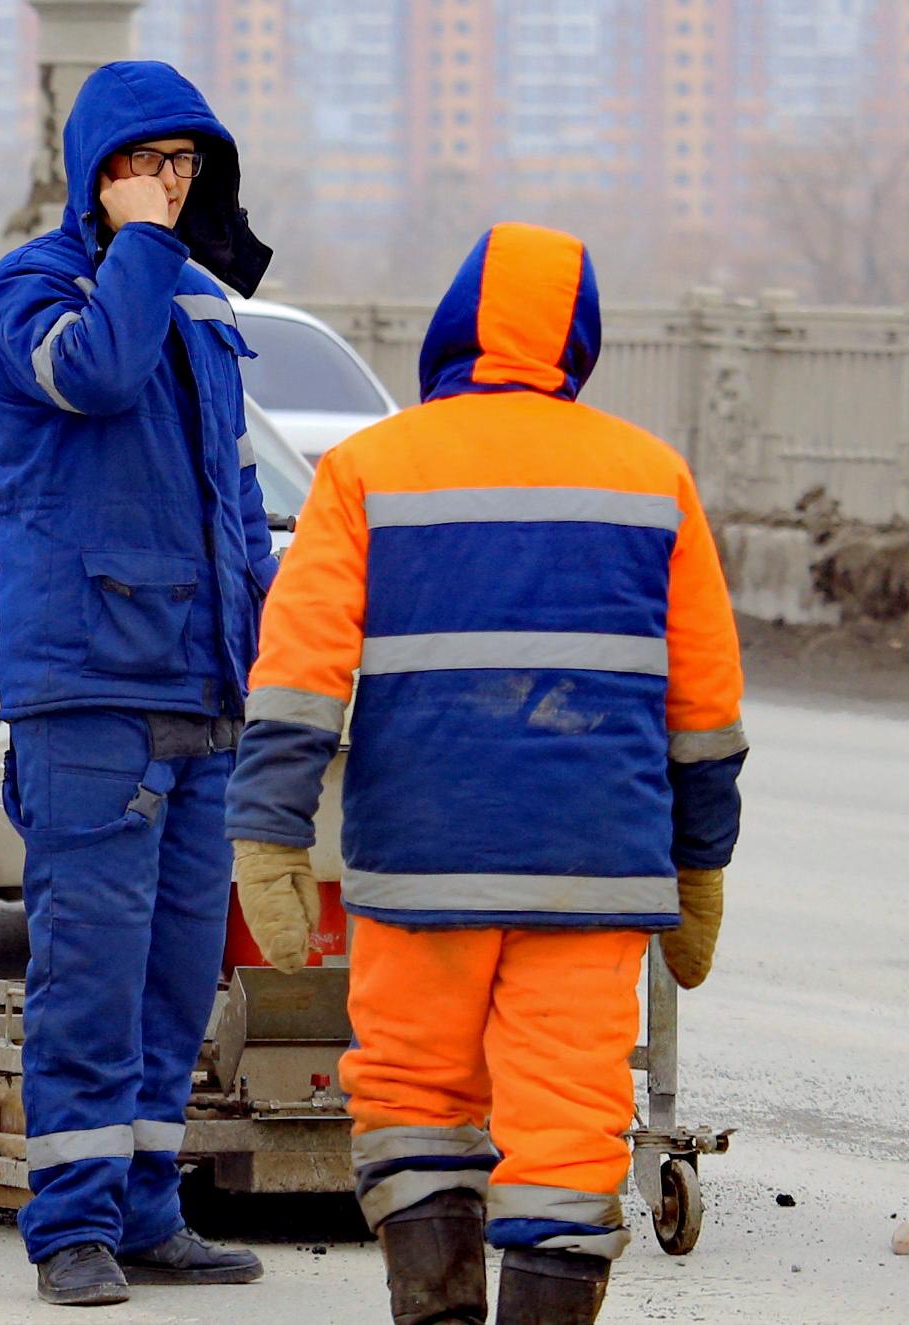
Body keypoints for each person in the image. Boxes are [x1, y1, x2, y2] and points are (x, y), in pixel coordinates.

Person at [225, 222, 747, 1325]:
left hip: (423, 858)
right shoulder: (654, 477)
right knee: (568, 1118)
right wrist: (701, 861)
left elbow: (300, 669)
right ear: (581, 343)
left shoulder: (368, 468)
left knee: (414, 1097)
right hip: (593, 864)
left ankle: (439, 1312)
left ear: (451, 329)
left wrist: (269, 830)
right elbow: (704, 704)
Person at [0, 60, 277, 1306]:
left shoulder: (199, 307)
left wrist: (255, 644)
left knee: (173, 976)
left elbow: (232, 499)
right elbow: (96, 375)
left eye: (187, 168)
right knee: (90, 974)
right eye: (150, 164)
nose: (173, 186)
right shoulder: (37, 289)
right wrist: (144, 242)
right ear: (98, 171)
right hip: (93, 689)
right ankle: (72, 1228)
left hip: (198, 690)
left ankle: (149, 1208)